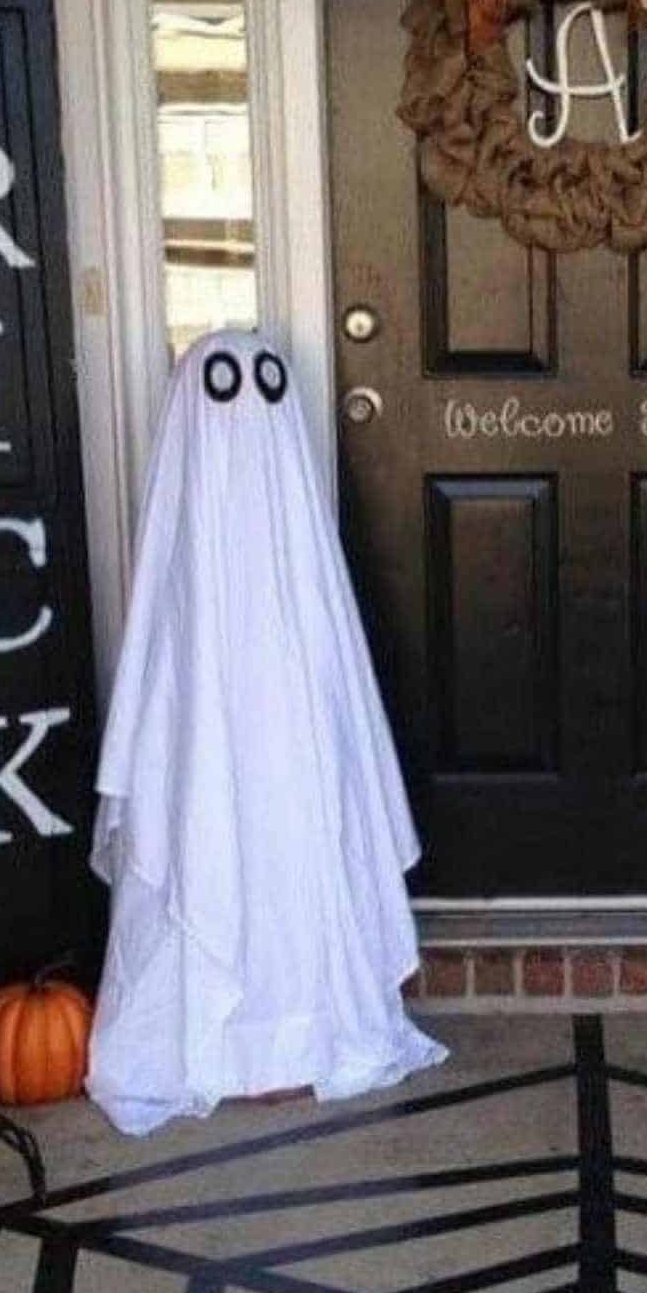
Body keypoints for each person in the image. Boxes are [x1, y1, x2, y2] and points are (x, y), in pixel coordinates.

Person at [87, 332, 445, 1135]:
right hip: (208, 724)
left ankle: (303, 1033)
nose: (246, 414)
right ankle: (222, 1043)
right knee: (211, 821)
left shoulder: (302, 556)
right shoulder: (183, 555)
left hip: (293, 722)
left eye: (264, 391)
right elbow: (161, 660)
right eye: (224, 393)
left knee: (296, 831)